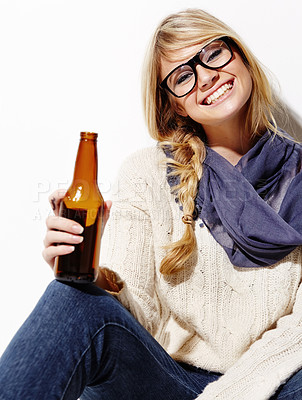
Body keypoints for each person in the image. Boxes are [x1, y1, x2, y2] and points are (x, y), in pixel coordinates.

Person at [1, 8, 302, 400]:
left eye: (213, 53)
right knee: (69, 297)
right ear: (176, 104)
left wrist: (229, 394)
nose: (206, 76)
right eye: (182, 76)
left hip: (269, 385)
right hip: (162, 379)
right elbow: (134, 309)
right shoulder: (147, 173)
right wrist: (88, 275)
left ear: (240, 55)